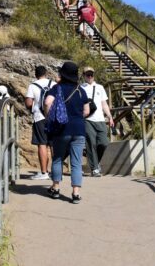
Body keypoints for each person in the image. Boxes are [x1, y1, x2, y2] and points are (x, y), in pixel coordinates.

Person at [44, 61, 89, 203]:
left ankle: (56, 188)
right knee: (76, 162)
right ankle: (76, 193)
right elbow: (87, 111)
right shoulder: (81, 90)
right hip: (79, 129)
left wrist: (49, 116)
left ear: (62, 74)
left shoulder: (57, 88)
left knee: (57, 158)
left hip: (61, 129)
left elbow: (47, 103)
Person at [82, 67, 114, 177]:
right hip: (87, 119)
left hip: (100, 119)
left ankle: (96, 162)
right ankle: (94, 168)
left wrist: (109, 116)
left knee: (104, 143)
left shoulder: (99, 87)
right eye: (87, 74)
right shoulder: (81, 88)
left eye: (91, 74)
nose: (90, 76)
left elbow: (104, 104)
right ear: (84, 75)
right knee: (91, 143)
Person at [25, 66, 54, 180]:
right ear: (46, 73)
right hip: (54, 117)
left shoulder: (33, 85)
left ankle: (44, 172)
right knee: (53, 144)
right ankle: (56, 171)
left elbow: (28, 103)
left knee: (42, 144)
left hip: (40, 117)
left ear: (36, 74)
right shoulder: (54, 84)